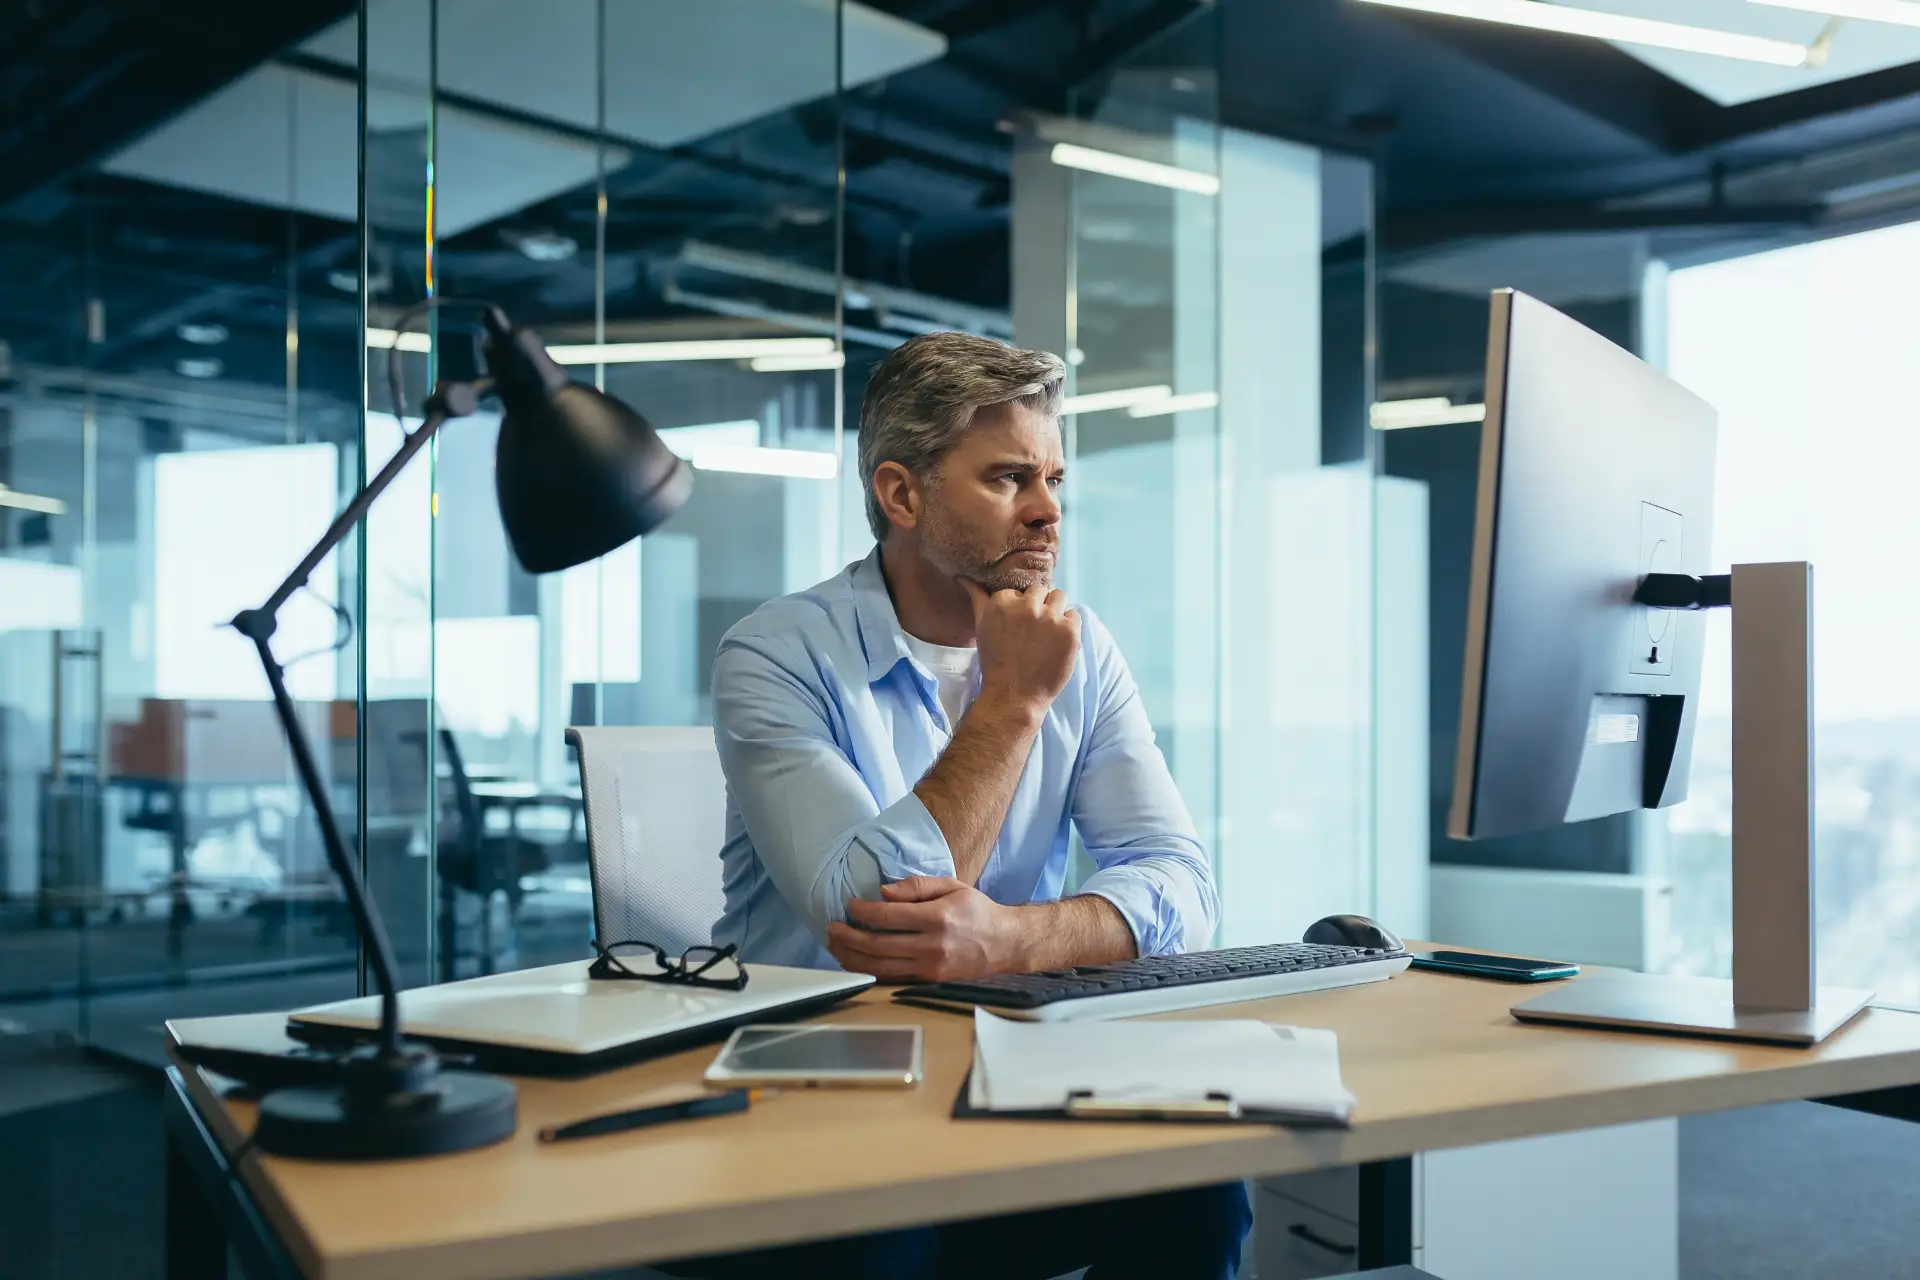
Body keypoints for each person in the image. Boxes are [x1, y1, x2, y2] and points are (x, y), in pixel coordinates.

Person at [663, 332, 1247, 1280]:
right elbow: (872, 919)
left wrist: (1008, 943)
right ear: (902, 495)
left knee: (1201, 1185)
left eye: (1054, 478)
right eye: (1010, 478)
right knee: (881, 1235)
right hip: (818, 1089)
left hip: (1011, 1070)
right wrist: (1010, 703)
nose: (1049, 511)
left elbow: (1181, 883)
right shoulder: (775, 655)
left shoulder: (1081, 648)